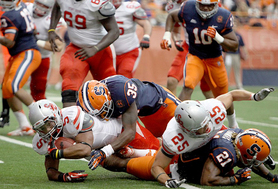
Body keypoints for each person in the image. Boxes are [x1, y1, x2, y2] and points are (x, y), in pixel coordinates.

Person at [100, 88, 278, 187]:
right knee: (128, 164)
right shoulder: (175, 136)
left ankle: (134, 150)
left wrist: (251, 100)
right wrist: (166, 180)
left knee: (158, 149)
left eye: (206, 123)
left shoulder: (212, 112)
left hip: (200, 148)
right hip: (177, 166)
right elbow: (158, 166)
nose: (206, 128)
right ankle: (102, 152)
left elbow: (231, 96)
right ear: (187, 129)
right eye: (200, 129)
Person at [29, 99, 160, 182]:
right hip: (99, 151)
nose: (48, 129)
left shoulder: (72, 116)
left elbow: (84, 149)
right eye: (42, 128)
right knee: (126, 166)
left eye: (49, 124)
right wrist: (63, 177)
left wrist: (57, 153)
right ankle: (136, 157)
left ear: (57, 116)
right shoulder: (43, 139)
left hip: (120, 133)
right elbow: (50, 171)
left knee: (158, 150)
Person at [161, 0, 240, 128]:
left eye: (209, 5)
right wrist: (166, 35)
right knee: (188, 86)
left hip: (214, 59)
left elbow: (234, 46)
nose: (205, 8)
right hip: (195, 56)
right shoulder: (188, 8)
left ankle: (233, 124)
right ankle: (176, 123)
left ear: (215, 5)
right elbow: (171, 16)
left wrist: (218, 37)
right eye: (202, 4)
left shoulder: (223, 16)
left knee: (224, 95)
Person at [77, 75, 181, 170]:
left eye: (105, 109)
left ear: (108, 95)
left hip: (162, 106)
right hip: (143, 114)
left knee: (184, 136)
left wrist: (105, 151)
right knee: (158, 145)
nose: (104, 115)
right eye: (100, 113)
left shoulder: (121, 91)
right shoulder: (85, 104)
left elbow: (130, 133)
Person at [48, 0, 120, 108]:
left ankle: (120, 123)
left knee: (112, 93)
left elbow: (114, 31)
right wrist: (52, 29)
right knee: (69, 91)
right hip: (76, 49)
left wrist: (95, 48)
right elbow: (58, 6)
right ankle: (70, 121)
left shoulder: (97, 4)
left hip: (101, 51)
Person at [0, 0, 42, 136]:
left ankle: (45, 119)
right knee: (6, 88)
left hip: (27, 53)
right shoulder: (22, 8)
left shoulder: (9, 16)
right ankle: (25, 126)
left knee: (13, 86)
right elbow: (34, 30)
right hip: (21, 53)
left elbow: (10, 42)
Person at [164, 0, 214, 99]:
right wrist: (176, 40)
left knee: (207, 89)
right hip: (189, 46)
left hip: (209, 49)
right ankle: (172, 111)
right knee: (172, 81)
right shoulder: (172, 6)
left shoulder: (202, 3)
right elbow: (176, 30)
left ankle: (219, 112)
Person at [27, 0, 66, 101]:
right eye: (39, 4)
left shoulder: (50, 20)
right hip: (23, 53)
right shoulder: (26, 9)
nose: (39, 8)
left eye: (44, 6)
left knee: (39, 90)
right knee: (11, 85)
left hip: (42, 57)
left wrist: (35, 42)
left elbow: (58, 46)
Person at [111, 0, 152, 78]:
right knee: (107, 78)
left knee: (124, 75)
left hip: (129, 50)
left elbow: (145, 23)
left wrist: (146, 36)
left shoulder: (129, 8)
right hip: (109, 52)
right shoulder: (101, 6)